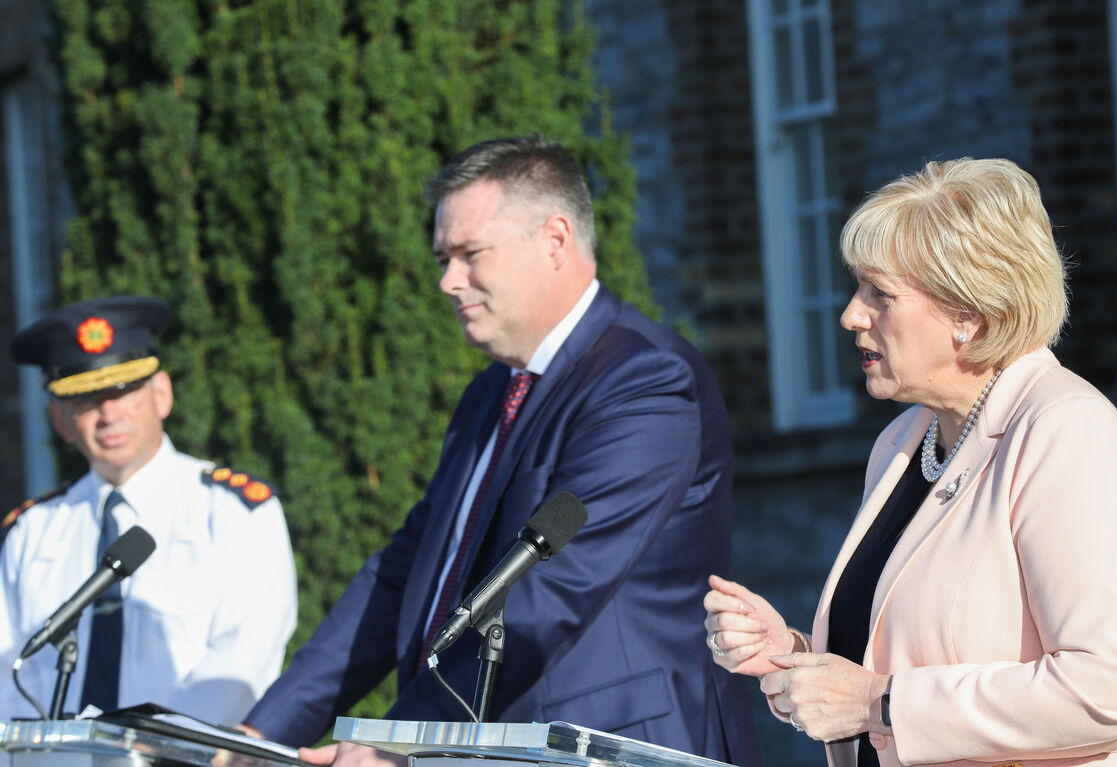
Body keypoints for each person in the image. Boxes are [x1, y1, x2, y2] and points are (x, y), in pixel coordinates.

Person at [242, 136, 759, 767]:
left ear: (555, 240)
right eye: (443, 258)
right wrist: (264, 733)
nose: (447, 281)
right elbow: (407, 572)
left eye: (470, 254)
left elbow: (556, 587)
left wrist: (400, 740)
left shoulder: (644, 381)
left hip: (612, 747)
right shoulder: (491, 393)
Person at [703, 158, 1117, 767]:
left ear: (969, 314)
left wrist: (880, 704)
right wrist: (792, 656)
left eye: (880, 294)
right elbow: (897, 664)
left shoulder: (1068, 430)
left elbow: (1111, 687)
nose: (851, 314)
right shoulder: (902, 443)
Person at [2, 295, 298, 725]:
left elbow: (242, 662)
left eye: (124, 391)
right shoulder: (32, 530)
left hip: (185, 752)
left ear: (161, 395)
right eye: (84, 399)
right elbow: (7, 669)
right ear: (60, 420)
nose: (108, 414)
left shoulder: (233, 512)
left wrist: (150, 745)